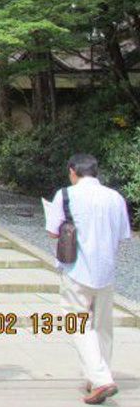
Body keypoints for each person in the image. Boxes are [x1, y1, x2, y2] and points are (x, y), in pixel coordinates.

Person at [46, 154, 131, 405]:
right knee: (103, 327)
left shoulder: (65, 195)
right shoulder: (115, 197)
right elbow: (123, 234)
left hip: (76, 269)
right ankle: (98, 376)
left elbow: (52, 232)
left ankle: (101, 378)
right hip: (106, 271)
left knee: (78, 324)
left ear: (73, 171)